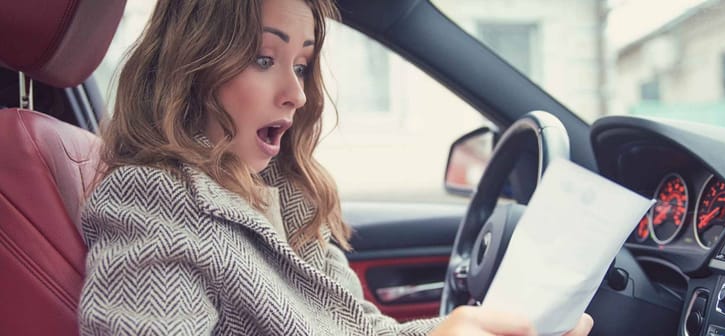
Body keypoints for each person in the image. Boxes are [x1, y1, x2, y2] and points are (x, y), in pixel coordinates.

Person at [78, 0, 594, 335]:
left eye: (301, 65)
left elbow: (355, 329)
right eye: (264, 59)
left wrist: (458, 329)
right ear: (192, 66)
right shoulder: (151, 197)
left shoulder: (284, 195)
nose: (297, 94)